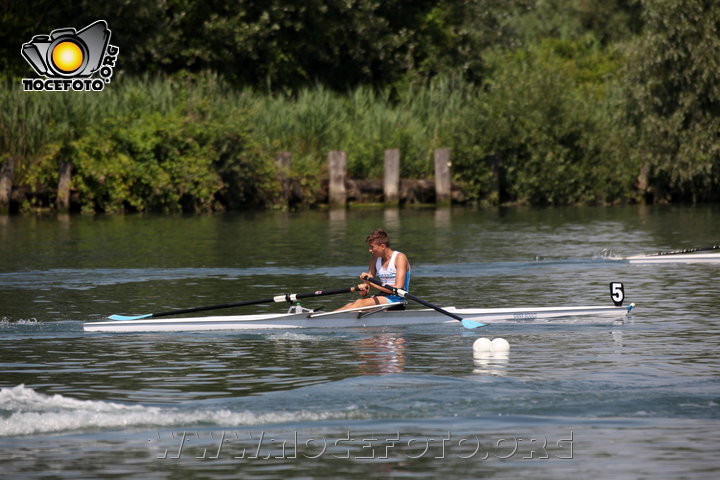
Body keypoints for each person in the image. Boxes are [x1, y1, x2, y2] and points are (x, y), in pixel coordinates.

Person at [336, 229, 411, 311]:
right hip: (383, 297)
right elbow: (369, 282)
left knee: (359, 303)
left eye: (372, 247)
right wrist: (365, 289)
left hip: (397, 299)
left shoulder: (399, 258)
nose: (370, 250)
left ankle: (328, 321)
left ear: (382, 246)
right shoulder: (375, 259)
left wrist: (371, 283)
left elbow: (398, 288)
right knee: (350, 305)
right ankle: (323, 320)